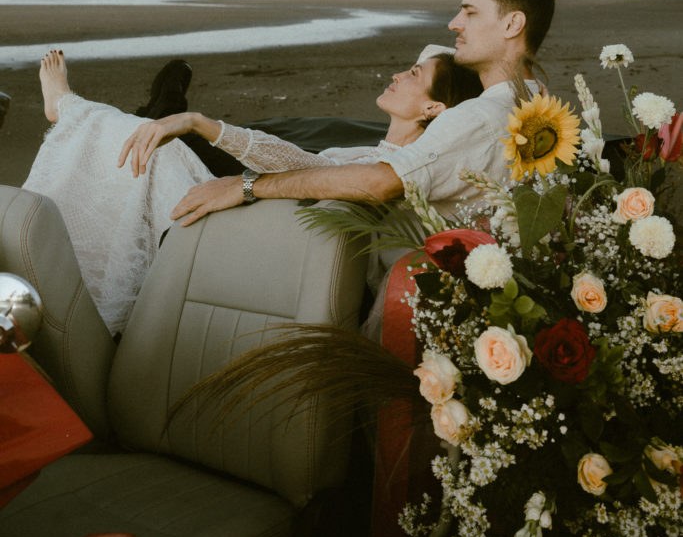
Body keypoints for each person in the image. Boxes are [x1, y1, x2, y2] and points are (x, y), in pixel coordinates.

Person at [27, 49, 481, 335]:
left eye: (414, 74)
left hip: (262, 249)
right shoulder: (372, 152)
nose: (399, 74)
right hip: (260, 232)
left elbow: (308, 167)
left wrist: (203, 128)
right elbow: (303, 160)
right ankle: (155, 115)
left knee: (147, 149)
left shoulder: (399, 171)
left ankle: (68, 110)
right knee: (158, 147)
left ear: (432, 108)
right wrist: (200, 126)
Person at [144, 0, 555, 228]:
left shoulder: (480, 117)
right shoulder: (539, 113)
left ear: (512, 24)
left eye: (469, 12)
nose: (454, 23)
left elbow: (382, 182)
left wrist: (247, 186)